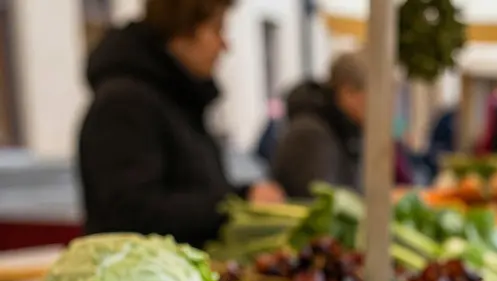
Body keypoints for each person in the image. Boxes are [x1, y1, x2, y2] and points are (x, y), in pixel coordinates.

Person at [78, 0, 283, 248]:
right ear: (182, 30)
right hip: (146, 279)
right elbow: (131, 212)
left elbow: (193, 188)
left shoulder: (178, 100)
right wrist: (236, 202)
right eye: (217, 30)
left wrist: (245, 195)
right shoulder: (124, 105)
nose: (225, 46)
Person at [271, 52, 368, 199]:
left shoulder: (339, 131)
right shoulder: (311, 136)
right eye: (377, 96)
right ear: (348, 92)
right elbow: (321, 204)